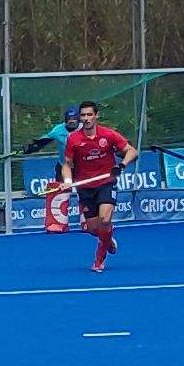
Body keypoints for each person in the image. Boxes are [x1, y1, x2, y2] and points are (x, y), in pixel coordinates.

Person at [51, 102, 134, 271]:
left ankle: (99, 259)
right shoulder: (73, 139)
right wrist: (67, 182)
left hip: (106, 183)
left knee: (105, 219)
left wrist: (122, 165)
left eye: (90, 115)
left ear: (96, 116)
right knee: (92, 228)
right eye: (83, 116)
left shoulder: (108, 135)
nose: (86, 119)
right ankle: (108, 239)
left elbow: (132, 151)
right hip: (85, 187)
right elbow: (67, 164)